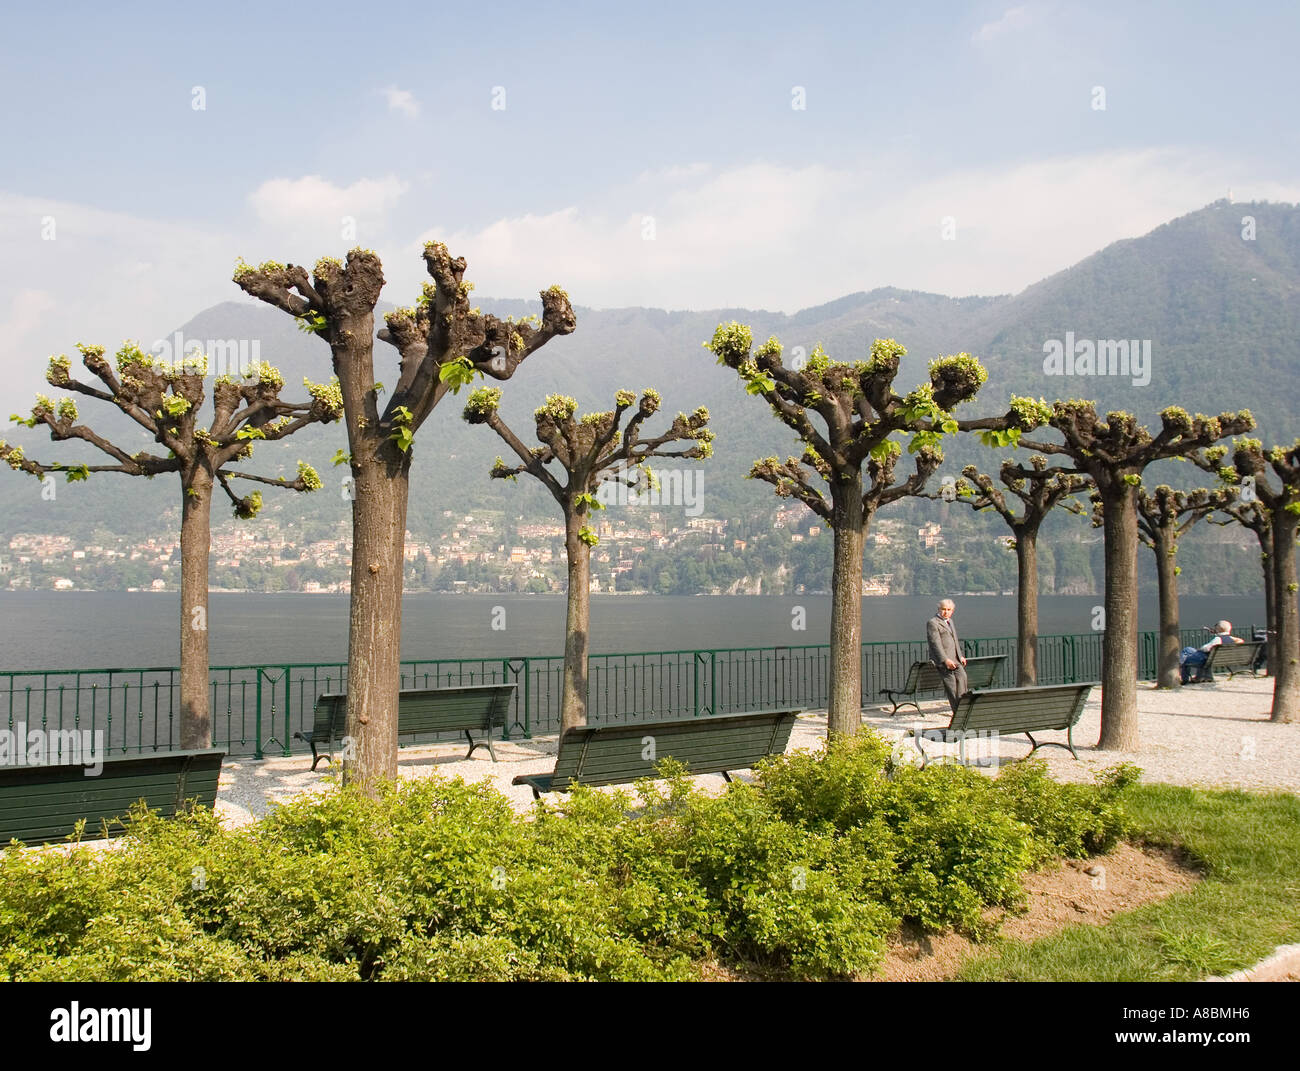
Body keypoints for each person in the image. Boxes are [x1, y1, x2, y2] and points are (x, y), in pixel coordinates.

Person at [926, 598, 967, 713]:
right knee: (952, 688)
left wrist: (960, 656)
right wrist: (945, 660)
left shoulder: (950, 621)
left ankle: (962, 709)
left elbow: (955, 640)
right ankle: (957, 713)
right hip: (944, 662)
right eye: (943, 609)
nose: (946, 612)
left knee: (962, 679)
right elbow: (935, 643)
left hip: (956, 660)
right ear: (939, 609)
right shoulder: (933, 623)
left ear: (952, 611)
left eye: (948, 610)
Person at [1179, 620, 1245, 684]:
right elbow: (1241, 640)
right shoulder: (1231, 639)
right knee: (1188, 649)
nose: (1215, 628)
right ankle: (1201, 677)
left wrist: (1201, 648)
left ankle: (1183, 676)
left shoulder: (1218, 639)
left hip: (1205, 659)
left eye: (1216, 627)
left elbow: (1206, 648)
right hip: (1217, 659)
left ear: (1219, 629)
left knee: (1185, 656)